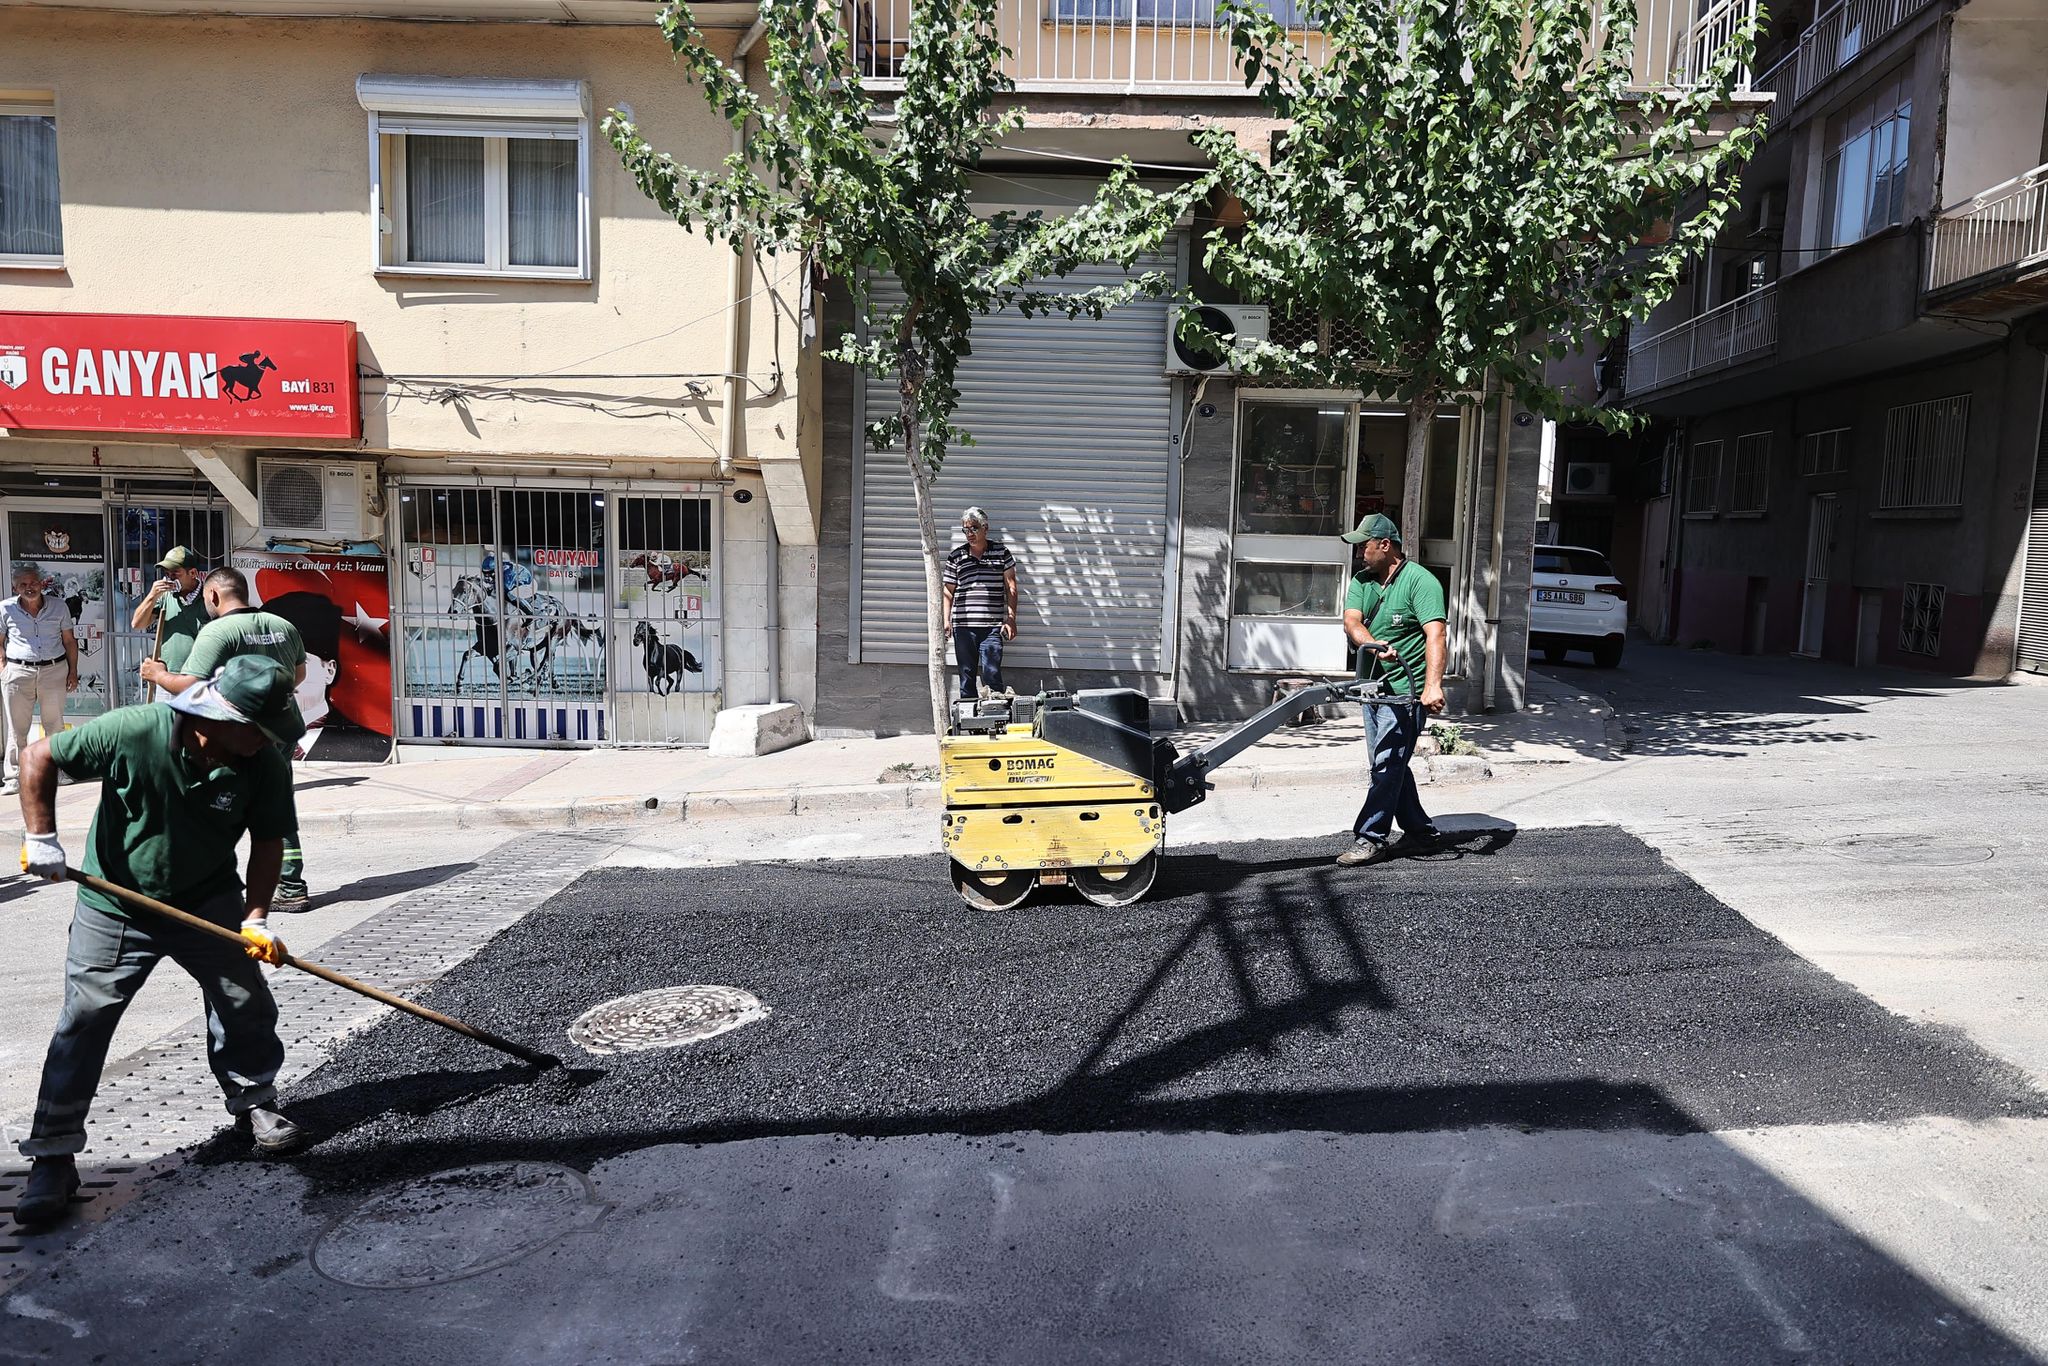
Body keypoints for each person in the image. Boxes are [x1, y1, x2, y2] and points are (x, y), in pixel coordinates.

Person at [11, 655, 308, 1229]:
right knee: (84, 1019)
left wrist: (255, 917)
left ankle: (256, 1103)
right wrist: (41, 836)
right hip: (117, 902)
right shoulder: (135, 730)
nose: (268, 743)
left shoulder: (262, 763)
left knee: (243, 999)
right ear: (220, 717)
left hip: (207, 897)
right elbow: (38, 755)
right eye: (261, 732)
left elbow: (269, 841)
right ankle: (52, 1156)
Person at [142, 569, 312, 912]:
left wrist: (158, 674)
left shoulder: (217, 631)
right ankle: (291, 884)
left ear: (214, 595)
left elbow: (191, 685)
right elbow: (299, 674)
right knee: (276, 803)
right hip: (278, 728)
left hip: (235, 735)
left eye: (206, 597)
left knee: (214, 805)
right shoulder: (283, 625)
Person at [1335, 513, 1448, 867]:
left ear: (1385, 545)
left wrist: (1433, 686)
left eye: (1363, 545)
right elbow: (1351, 621)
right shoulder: (1363, 580)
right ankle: (1421, 832)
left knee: (1386, 763)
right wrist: (1371, 642)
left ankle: (1371, 836)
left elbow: (1436, 634)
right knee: (1388, 763)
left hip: (1406, 692)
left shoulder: (1421, 582)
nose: (1358, 553)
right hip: (1372, 689)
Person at [2, 566, 80, 797]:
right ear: (15, 587)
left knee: (54, 724)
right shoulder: (4, 608)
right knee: (17, 729)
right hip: (18, 672)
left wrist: (73, 671)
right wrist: (3, 669)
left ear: (41, 584)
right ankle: (15, 777)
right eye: (23, 585)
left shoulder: (59, 606)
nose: (29, 588)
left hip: (54, 671)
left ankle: (58, 772)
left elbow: (69, 641)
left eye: (33, 583)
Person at [942, 507, 1018, 701]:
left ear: (985, 528)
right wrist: (946, 621)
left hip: (991, 627)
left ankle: (995, 721)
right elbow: (948, 591)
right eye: (965, 530)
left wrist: (1011, 618)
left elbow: (1011, 587)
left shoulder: (1001, 552)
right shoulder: (956, 557)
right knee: (966, 677)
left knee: (992, 674)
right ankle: (969, 723)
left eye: (974, 528)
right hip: (963, 627)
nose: (969, 534)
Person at [130, 545, 207, 700]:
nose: (169, 578)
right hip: (167, 678)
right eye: (166, 574)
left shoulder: (208, 598)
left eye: (175, 574)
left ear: (192, 573)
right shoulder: (166, 597)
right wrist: (153, 596)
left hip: (199, 680)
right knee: (166, 724)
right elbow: (137, 624)